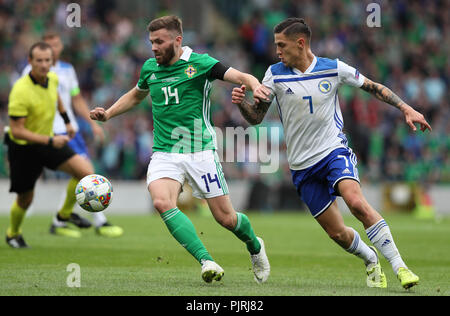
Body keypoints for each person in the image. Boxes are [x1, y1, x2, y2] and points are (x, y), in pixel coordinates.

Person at [231, 18, 432, 290]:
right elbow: (256, 118)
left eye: (282, 45)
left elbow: (373, 87)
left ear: (300, 43)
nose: (277, 50)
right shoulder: (274, 74)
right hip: (302, 167)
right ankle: (370, 257)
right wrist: (243, 104)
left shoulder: (333, 68)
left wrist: (406, 108)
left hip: (332, 151)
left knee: (357, 203)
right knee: (337, 233)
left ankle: (400, 267)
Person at [90, 15, 270, 283]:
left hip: (200, 151)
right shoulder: (150, 68)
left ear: (177, 40)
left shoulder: (201, 63)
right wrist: (109, 114)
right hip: (164, 152)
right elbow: (136, 95)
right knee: (162, 202)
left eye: (159, 42)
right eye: (151, 42)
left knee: (226, 219)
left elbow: (241, 75)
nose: (153, 47)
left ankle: (255, 246)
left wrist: (255, 86)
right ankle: (206, 260)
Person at [21, 32, 123, 238]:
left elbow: (76, 100)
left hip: (71, 129)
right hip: (49, 130)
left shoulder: (68, 70)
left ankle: (62, 219)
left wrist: (92, 123)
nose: (53, 49)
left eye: (56, 45)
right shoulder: (30, 71)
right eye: (48, 46)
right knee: (86, 171)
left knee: (83, 172)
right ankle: (95, 221)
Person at [5, 42, 95, 248]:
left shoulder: (52, 79)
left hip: (48, 140)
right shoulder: (20, 90)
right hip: (23, 148)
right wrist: (51, 140)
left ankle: (63, 216)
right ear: (30, 62)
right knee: (25, 199)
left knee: (86, 172)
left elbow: (57, 100)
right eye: (39, 61)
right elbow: (17, 130)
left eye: (48, 60)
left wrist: (67, 121)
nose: (45, 65)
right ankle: (13, 233)